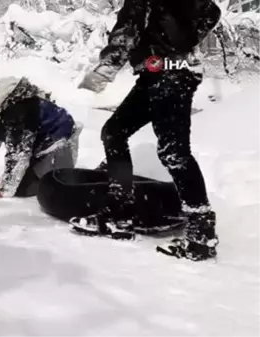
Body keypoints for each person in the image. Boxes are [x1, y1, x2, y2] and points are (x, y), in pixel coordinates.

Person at [73, 0, 221, 261]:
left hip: (170, 74)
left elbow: (127, 31)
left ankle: (201, 233)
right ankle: (120, 211)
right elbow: (212, 12)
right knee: (114, 131)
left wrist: (104, 71)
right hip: (160, 72)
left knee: (174, 152)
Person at [0, 74, 82, 198]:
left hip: (57, 142)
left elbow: (18, 153)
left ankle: (63, 170)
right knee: (20, 180)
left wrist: (5, 190)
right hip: (35, 145)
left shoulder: (18, 108)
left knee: (25, 189)